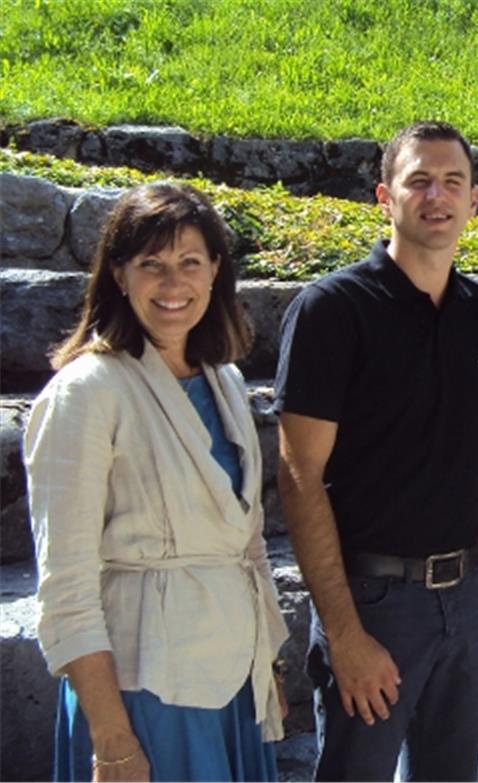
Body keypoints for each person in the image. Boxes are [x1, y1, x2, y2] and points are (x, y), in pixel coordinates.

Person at [23, 182, 289, 782]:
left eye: (190, 263)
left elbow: (245, 543)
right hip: (146, 693)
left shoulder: (223, 381)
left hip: (232, 688)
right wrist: (113, 740)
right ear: (119, 274)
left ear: (216, 271)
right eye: (152, 265)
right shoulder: (85, 394)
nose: (174, 285)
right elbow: (65, 587)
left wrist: (265, 665)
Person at [274, 120, 478, 782]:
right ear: (385, 196)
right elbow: (298, 478)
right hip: (374, 601)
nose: (437, 196)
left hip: (467, 598)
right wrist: (344, 634)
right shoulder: (333, 309)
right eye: (419, 181)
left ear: (473, 201)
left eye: (452, 182)